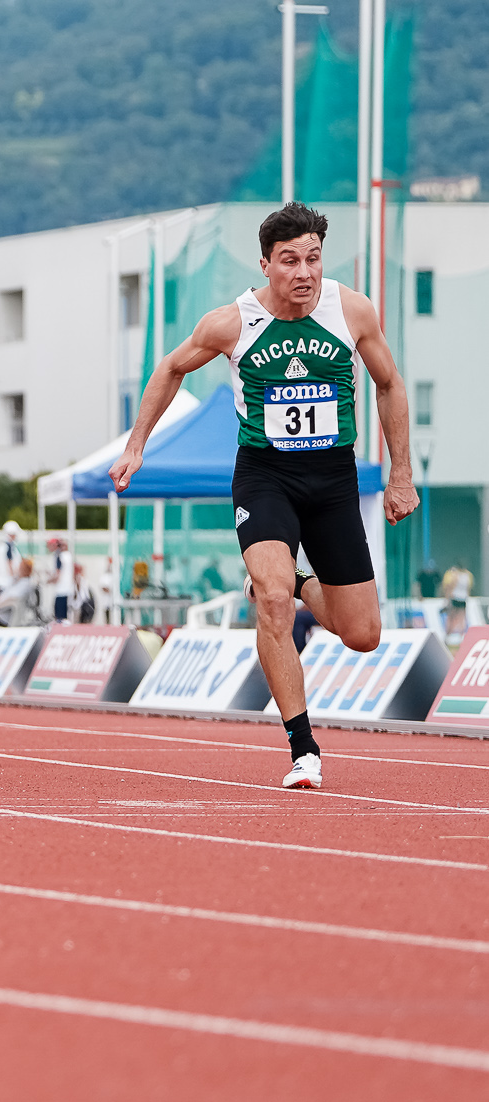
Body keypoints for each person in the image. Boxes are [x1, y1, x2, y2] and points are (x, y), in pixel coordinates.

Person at [112, 201, 419, 790]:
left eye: (313, 259)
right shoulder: (232, 322)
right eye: (289, 261)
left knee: (362, 635)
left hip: (332, 479)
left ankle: (298, 582)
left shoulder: (352, 309)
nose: (304, 273)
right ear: (265, 265)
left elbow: (389, 383)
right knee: (272, 602)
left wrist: (400, 474)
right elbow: (171, 368)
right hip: (265, 476)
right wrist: (136, 446)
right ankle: (304, 749)